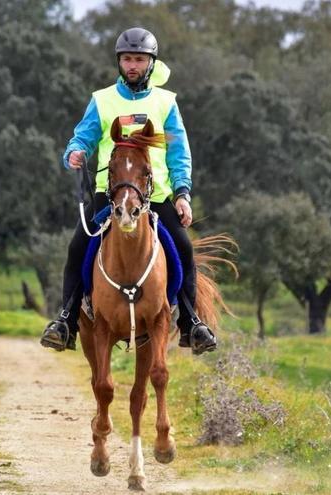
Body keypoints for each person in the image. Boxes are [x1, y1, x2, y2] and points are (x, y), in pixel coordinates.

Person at [39, 27, 217, 355]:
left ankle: (191, 322)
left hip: (157, 195)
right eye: (126, 59)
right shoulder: (102, 100)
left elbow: (179, 153)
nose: (132, 65)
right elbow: (83, 136)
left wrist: (182, 193)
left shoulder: (166, 103)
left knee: (184, 250)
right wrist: (75, 152)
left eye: (138, 59)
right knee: (78, 247)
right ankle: (66, 320)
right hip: (110, 194)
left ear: (150, 63)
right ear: (119, 63)